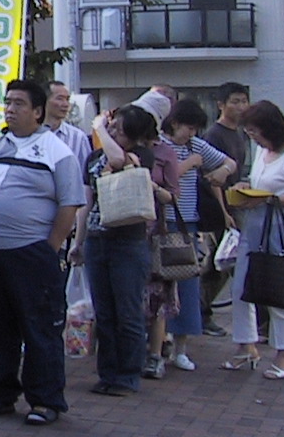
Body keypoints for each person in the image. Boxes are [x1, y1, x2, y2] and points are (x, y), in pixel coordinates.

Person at [0, 79, 84, 426]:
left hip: (30, 253)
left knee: (38, 326)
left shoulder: (55, 151)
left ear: (37, 111)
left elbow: (69, 204)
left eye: (19, 104)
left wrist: (49, 248)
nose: (10, 109)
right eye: (7, 103)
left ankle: (45, 400)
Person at [81, 105, 179, 396]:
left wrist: (97, 127)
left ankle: (127, 375)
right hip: (97, 239)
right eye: (112, 128)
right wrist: (78, 242)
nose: (112, 132)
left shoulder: (141, 156)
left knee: (127, 310)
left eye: (119, 130)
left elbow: (117, 159)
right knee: (105, 311)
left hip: (128, 240)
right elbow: (88, 201)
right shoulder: (93, 158)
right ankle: (107, 373)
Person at [225, 100, 284, 379]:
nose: (253, 138)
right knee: (241, 288)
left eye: (255, 132)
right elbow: (258, 182)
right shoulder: (262, 152)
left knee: (278, 291)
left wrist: (270, 199)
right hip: (254, 229)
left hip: (279, 233)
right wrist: (247, 188)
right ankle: (246, 346)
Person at [149, 100, 235, 374]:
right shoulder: (157, 146)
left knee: (186, 286)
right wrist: (189, 164)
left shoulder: (195, 146)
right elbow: (159, 180)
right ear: (174, 123)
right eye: (189, 127)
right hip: (160, 223)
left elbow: (227, 162)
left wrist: (221, 171)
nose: (192, 133)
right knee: (157, 289)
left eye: (196, 128)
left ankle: (180, 348)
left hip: (187, 224)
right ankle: (156, 347)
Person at [200, 82, 252, 337]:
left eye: (244, 101)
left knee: (230, 263)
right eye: (235, 101)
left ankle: (203, 311)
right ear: (221, 104)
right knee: (219, 264)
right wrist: (224, 214)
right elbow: (212, 179)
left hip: (236, 203)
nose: (241, 106)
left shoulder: (241, 133)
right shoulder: (214, 135)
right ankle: (201, 312)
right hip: (219, 208)